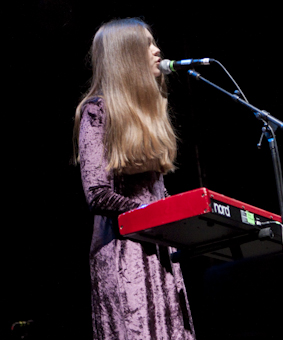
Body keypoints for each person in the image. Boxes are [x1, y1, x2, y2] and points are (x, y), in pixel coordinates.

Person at [73, 18, 195, 339]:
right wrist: (159, 217)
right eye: (148, 45)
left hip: (160, 254)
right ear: (126, 55)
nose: (157, 51)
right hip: (125, 258)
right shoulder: (96, 112)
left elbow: (158, 195)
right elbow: (97, 194)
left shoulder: (145, 116)